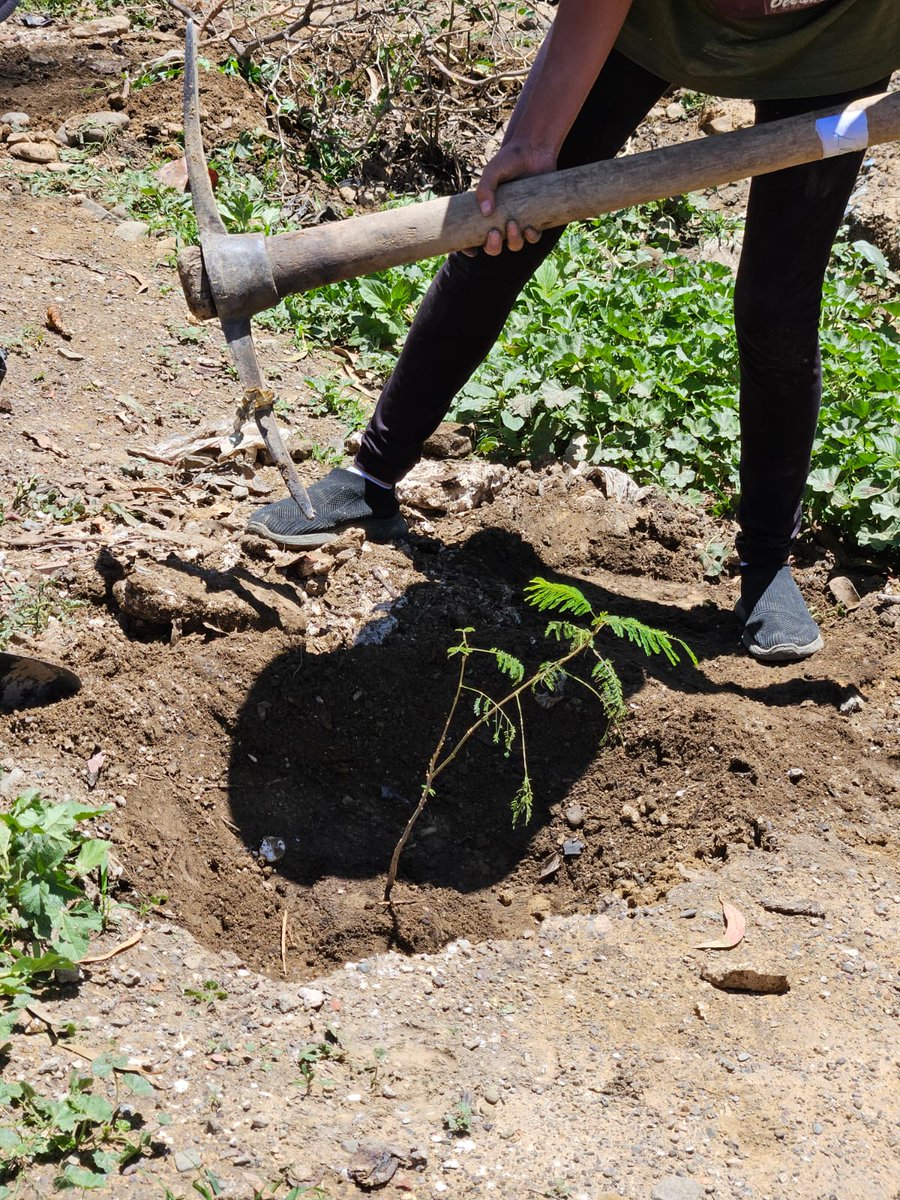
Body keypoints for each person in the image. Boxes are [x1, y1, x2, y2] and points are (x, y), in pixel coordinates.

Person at [247, 0, 900, 663]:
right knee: (504, 230)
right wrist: (534, 141)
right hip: (656, 20)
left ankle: (766, 566)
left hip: (838, 44)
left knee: (777, 310)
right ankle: (374, 476)